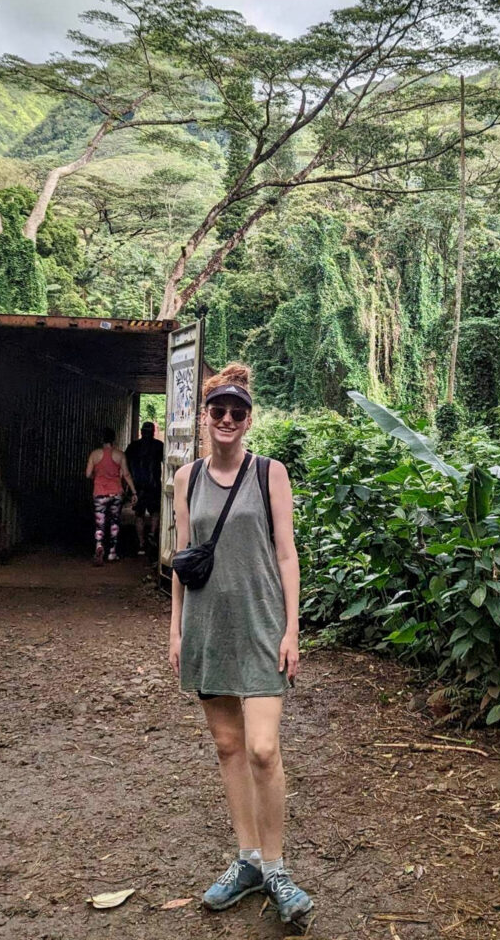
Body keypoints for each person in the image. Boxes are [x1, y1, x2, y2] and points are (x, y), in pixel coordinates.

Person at [167, 362, 313, 926]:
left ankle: (275, 866)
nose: (227, 419)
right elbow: (183, 559)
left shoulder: (269, 473)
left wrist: (292, 628)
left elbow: (286, 555)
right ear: (205, 417)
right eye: (218, 411)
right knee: (228, 747)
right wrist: (176, 628)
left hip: (260, 626)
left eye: (238, 412)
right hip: (208, 625)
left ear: (248, 421)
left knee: (262, 749)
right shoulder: (187, 479)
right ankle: (247, 859)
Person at [84, 428, 137, 565]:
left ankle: (99, 545)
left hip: (99, 493)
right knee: (114, 521)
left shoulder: (94, 455)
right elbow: (126, 474)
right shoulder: (120, 455)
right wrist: (134, 492)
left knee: (99, 522)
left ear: (101, 439)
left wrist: (97, 477)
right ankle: (112, 552)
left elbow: (88, 474)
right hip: (116, 493)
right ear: (114, 439)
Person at [125, 421, 164, 555]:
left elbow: (125, 466)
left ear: (141, 432)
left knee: (139, 514)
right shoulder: (159, 446)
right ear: (153, 432)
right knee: (155, 512)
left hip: (138, 486)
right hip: (154, 485)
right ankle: (152, 535)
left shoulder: (133, 446)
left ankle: (141, 543)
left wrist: (127, 486)